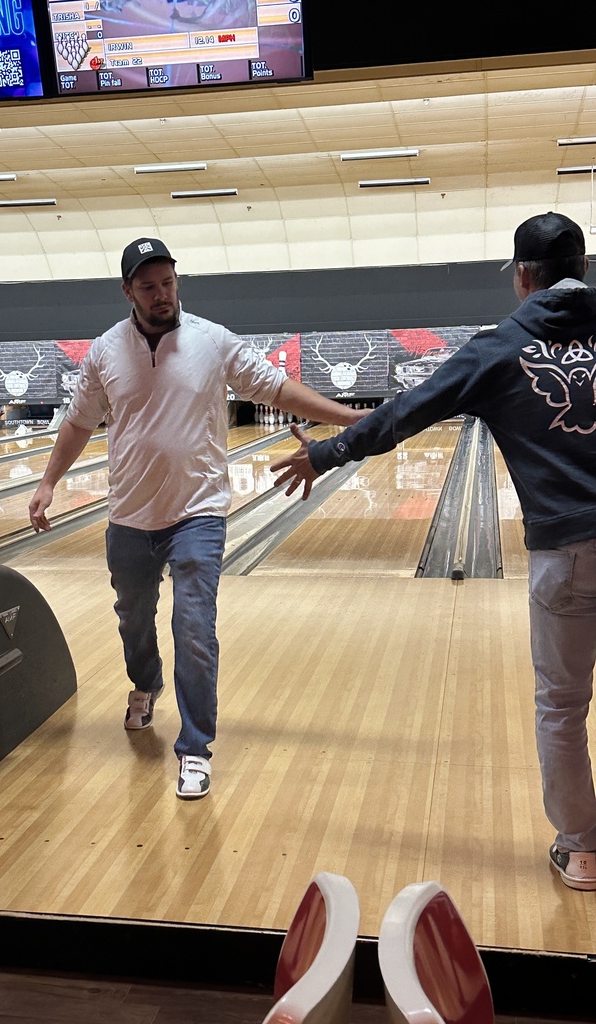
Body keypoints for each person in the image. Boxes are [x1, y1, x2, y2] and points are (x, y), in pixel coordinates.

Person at [271, 211, 596, 890]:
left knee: (563, 707)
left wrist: (327, 453)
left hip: (568, 553)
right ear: (583, 270)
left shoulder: (498, 349)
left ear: (523, 277)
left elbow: (404, 413)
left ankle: (582, 850)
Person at [29, 237, 368, 800]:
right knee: (133, 618)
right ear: (128, 291)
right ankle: (145, 684)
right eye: (148, 287)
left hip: (198, 514)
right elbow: (79, 422)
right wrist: (47, 481)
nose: (161, 294)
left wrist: (349, 418)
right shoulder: (105, 352)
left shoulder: (213, 340)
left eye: (167, 283)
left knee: (194, 629)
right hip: (130, 515)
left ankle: (194, 748)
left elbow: (277, 388)